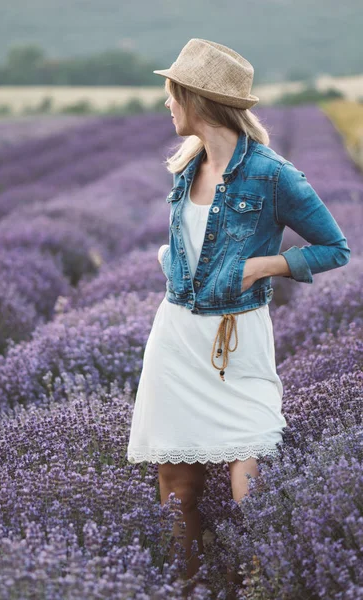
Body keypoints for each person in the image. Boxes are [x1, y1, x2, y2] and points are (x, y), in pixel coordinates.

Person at [126, 38, 351, 593]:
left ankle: (260, 581)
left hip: (236, 337)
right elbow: (191, 243)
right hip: (177, 334)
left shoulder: (273, 174)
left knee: (248, 465)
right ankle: (189, 585)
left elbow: (335, 247)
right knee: (175, 476)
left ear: (197, 99)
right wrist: (170, 262)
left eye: (171, 94)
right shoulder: (187, 165)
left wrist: (261, 266)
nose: (166, 104)